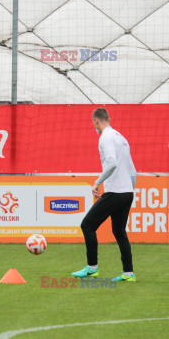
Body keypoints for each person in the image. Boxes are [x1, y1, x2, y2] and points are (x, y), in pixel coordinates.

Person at [72, 107, 137, 282]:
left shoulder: (105, 138)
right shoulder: (120, 138)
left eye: (94, 123)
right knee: (119, 230)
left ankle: (92, 268)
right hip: (126, 192)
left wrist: (97, 182)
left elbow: (111, 163)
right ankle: (129, 273)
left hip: (115, 191)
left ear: (96, 121)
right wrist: (130, 191)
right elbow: (133, 170)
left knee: (87, 225)